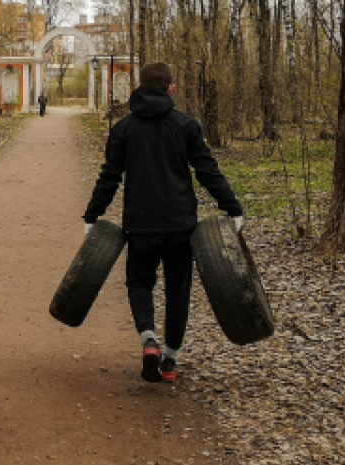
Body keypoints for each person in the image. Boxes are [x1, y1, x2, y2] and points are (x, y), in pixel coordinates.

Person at [82, 62, 244, 384]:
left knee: (139, 283)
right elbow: (207, 171)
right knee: (177, 290)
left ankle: (148, 339)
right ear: (171, 88)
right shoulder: (186, 126)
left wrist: (92, 215)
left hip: (140, 225)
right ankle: (170, 361)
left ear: (138, 89)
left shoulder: (124, 129)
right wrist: (232, 207)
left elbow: (109, 178)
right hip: (179, 225)